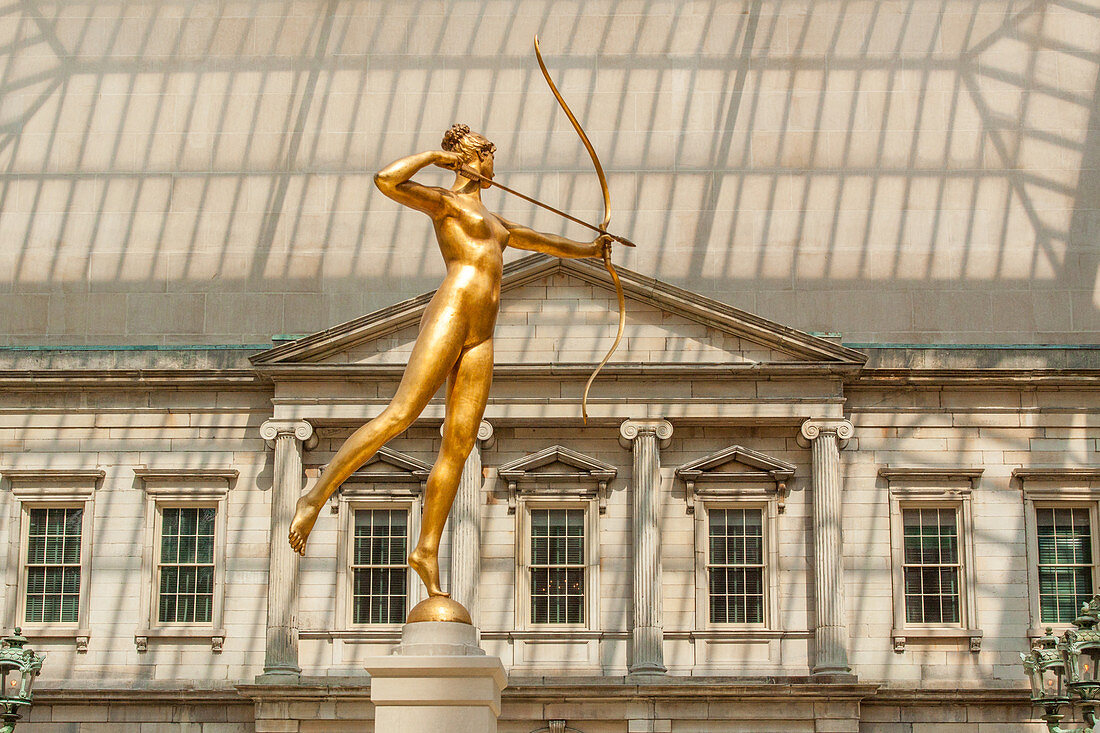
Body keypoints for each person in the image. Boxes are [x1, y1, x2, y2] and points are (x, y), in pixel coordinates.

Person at [288, 123, 611, 599]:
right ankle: (314, 498)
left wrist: (592, 248)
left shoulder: (499, 224)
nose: (493, 163)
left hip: (482, 334)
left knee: (458, 446)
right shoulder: (445, 203)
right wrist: (430, 158)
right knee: (401, 414)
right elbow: (386, 181)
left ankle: (426, 547)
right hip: (452, 311)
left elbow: (546, 241)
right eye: (487, 154)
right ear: (468, 158)